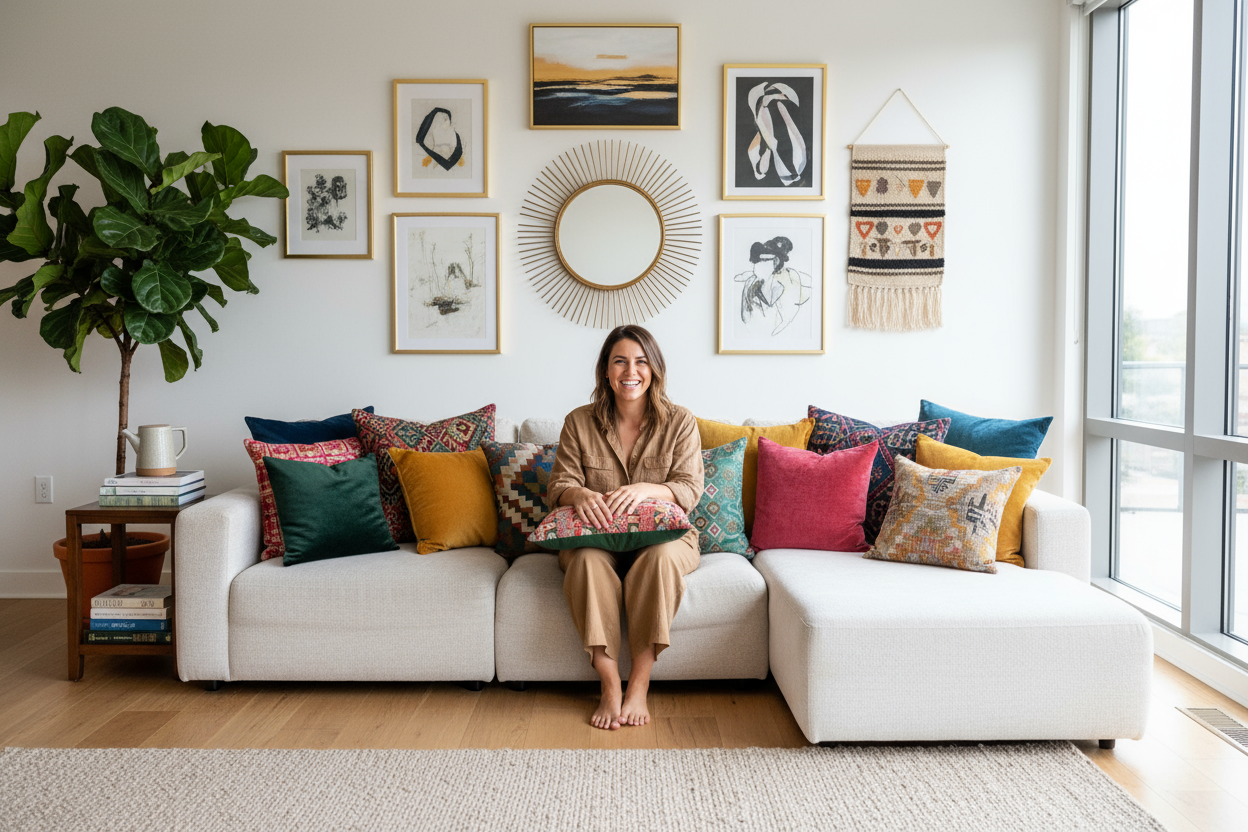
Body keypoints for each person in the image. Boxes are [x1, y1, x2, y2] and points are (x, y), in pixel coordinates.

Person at [545, 325, 704, 730]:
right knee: (583, 561)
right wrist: (579, 496)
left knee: (660, 559)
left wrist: (646, 490)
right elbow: (559, 486)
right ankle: (610, 682)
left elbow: (689, 488)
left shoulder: (680, 421)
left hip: (666, 539)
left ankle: (639, 684)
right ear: (605, 370)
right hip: (596, 539)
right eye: (620, 361)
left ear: (654, 369)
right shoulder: (578, 422)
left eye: (640, 361)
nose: (630, 371)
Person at [736, 236, 812, 336]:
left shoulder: (787, 280)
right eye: (758, 260)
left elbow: (787, 318)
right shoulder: (751, 283)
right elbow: (746, 319)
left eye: (765, 260)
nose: (758, 264)